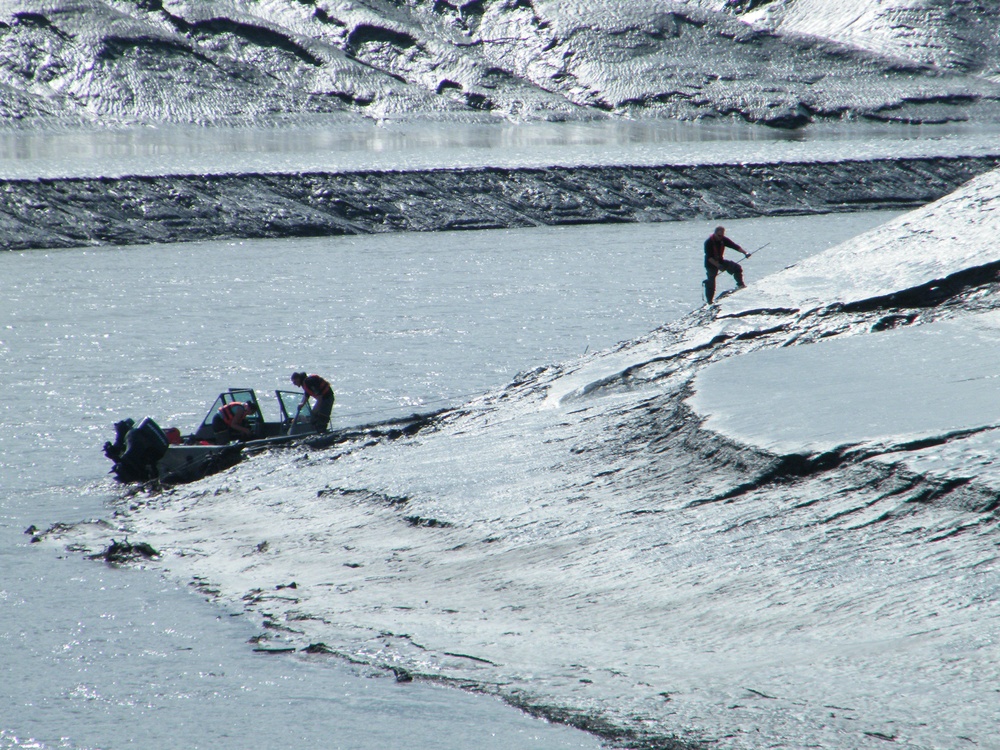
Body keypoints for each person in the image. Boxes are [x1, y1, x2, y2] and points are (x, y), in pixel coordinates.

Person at [703, 225, 750, 304]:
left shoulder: (724, 240)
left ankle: (740, 285)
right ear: (715, 233)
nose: (720, 237)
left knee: (737, 268)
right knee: (711, 282)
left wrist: (745, 253)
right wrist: (718, 266)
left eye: (722, 235)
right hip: (710, 264)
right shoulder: (708, 242)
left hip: (720, 261)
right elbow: (709, 258)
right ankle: (709, 301)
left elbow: (734, 246)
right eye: (719, 235)